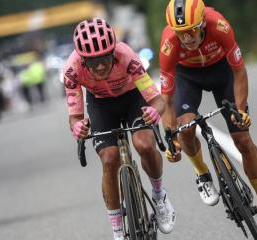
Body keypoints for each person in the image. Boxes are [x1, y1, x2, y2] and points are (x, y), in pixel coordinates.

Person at [159, 0, 257, 235]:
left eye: (191, 31)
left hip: (221, 71)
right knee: (185, 129)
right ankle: (202, 172)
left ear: (201, 24)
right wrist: (171, 138)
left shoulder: (218, 25)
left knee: (243, 140)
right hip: (187, 77)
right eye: (181, 33)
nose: (186, 38)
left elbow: (239, 71)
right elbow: (166, 101)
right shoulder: (169, 43)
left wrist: (240, 110)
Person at [63, 18, 175, 240]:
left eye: (105, 58)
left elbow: (157, 100)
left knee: (143, 145)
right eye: (94, 62)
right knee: (109, 158)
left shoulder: (126, 56)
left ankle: (159, 195)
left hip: (133, 98)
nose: (101, 66)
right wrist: (78, 127)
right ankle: (117, 230)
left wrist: (155, 112)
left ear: (113, 52)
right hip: (100, 105)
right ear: (83, 60)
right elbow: (75, 117)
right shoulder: (72, 70)